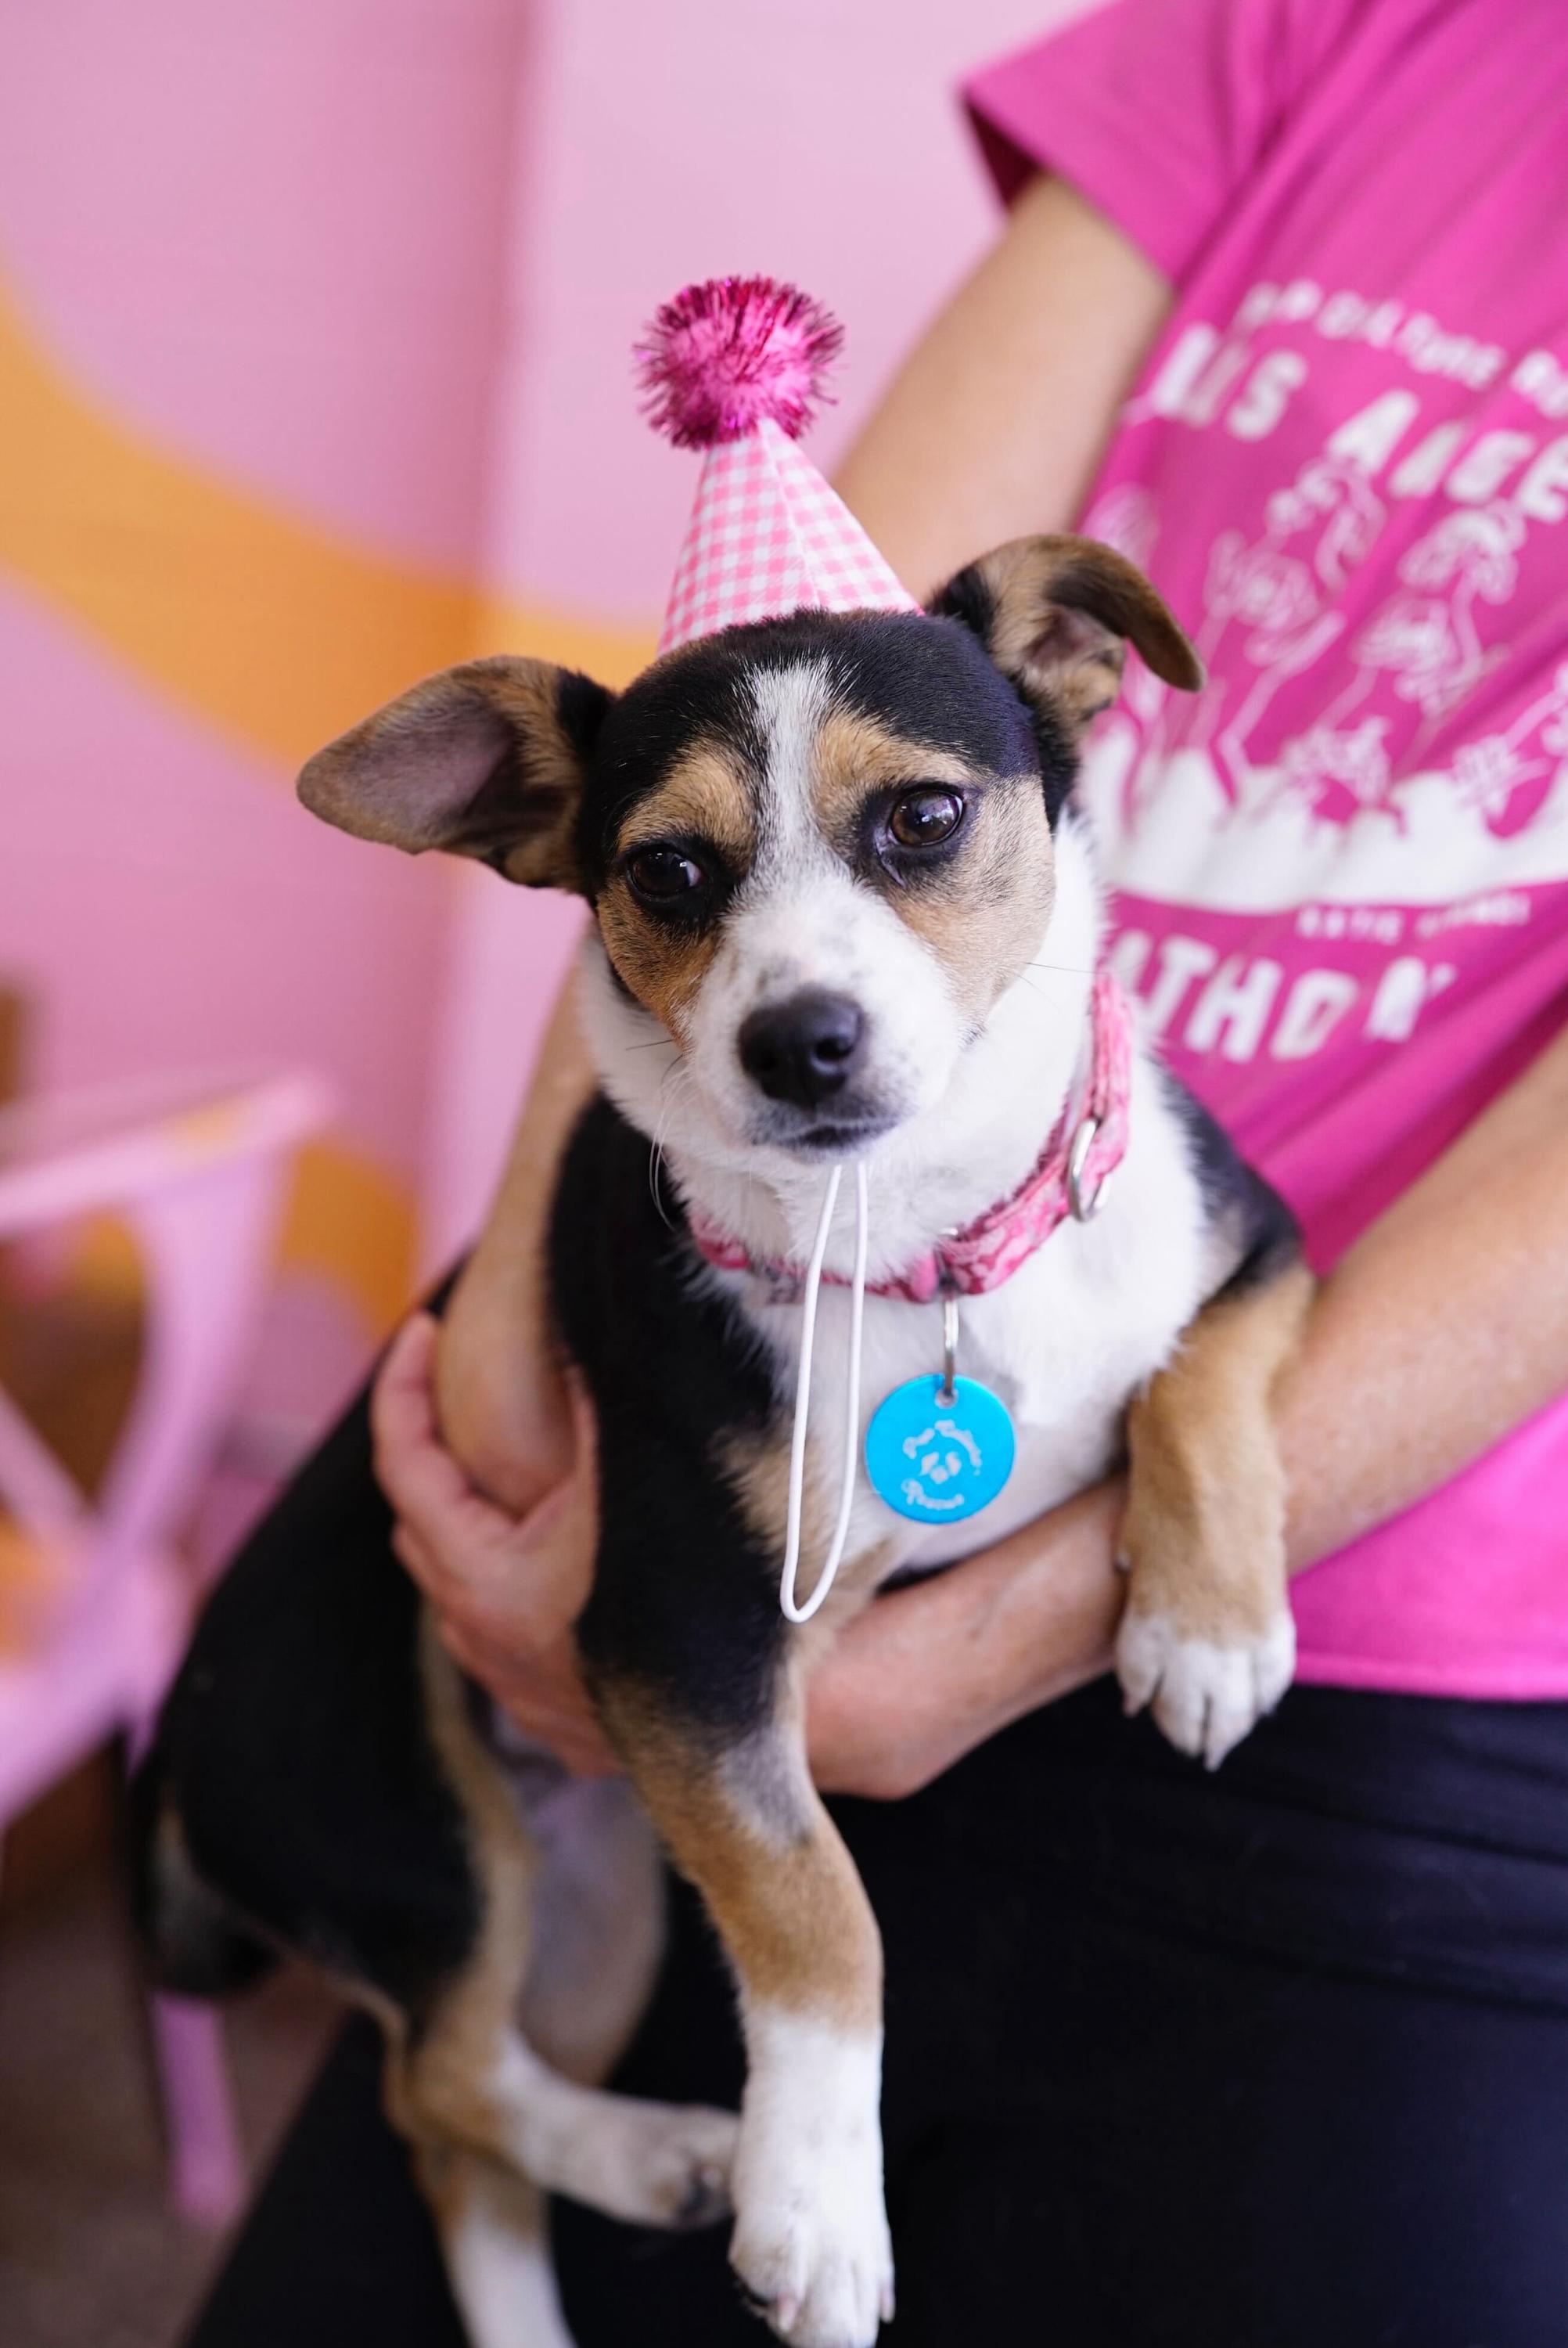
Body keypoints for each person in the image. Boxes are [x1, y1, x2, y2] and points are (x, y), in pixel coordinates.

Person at [187, 2, 1568, 2342]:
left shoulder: (1190, 1228)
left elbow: (1248, 1283)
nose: (800, 983)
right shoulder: (1331, 23)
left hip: (1404, 1659)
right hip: (714, 1415)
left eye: (919, 831)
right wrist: (528, 1336)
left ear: (1073, 703)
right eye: (694, 890)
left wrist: (1134, 1542)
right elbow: (765, 693)